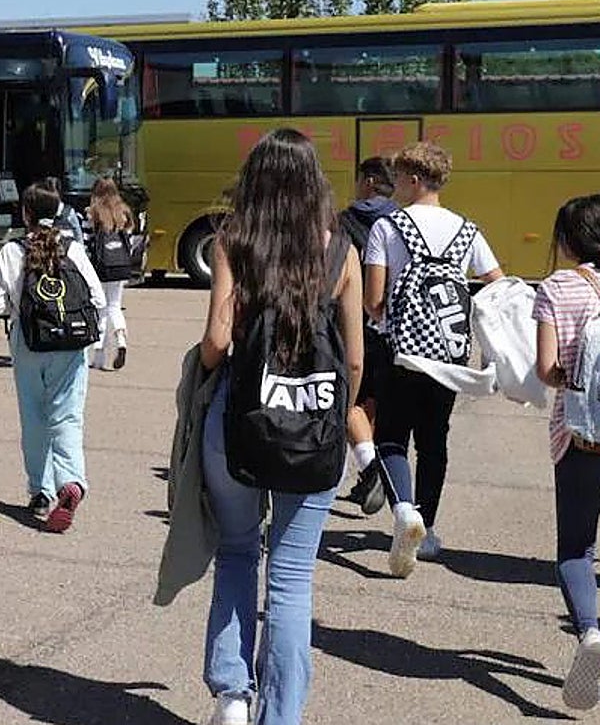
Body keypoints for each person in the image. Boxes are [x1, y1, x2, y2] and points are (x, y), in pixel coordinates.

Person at [198, 128, 363, 725]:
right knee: (293, 579)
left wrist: (208, 363)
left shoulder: (234, 241)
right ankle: (281, 715)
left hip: (239, 422)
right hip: (315, 427)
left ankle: (233, 695)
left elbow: (217, 341)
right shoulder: (341, 251)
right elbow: (354, 360)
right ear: (313, 183)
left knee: (238, 551)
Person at [364, 141, 503, 575]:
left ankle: (404, 510)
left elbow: (374, 300)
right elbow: (496, 283)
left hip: (400, 350)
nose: (396, 187)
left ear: (415, 179)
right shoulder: (468, 231)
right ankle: (430, 529)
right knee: (434, 440)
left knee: (390, 438)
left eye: (400, 178)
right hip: (449, 353)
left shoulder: (388, 228)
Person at [0, 181, 105, 532]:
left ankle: (40, 490)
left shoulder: (12, 251)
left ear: (25, 212)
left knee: (34, 418)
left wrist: (16, 306)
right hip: (70, 345)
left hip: (28, 342)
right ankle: (71, 481)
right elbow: (96, 299)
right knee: (67, 417)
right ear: (58, 211)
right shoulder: (73, 248)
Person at [533, 194, 600, 710]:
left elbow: (546, 367)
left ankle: (591, 634)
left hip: (581, 437)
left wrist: (573, 380)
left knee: (575, 550)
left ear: (566, 240)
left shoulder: (557, 288)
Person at [341, 157, 399, 515]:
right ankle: (369, 472)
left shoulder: (344, 222)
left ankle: (370, 466)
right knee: (371, 400)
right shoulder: (402, 222)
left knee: (347, 399)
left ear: (370, 181)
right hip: (394, 327)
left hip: (355, 320)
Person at [87, 177, 135, 371]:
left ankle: (98, 354)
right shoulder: (123, 211)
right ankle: (121, 339)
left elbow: (89, 240)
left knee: (101, 308)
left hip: (102, 267)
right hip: (121, 265)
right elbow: (130, 238)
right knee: (114, 306)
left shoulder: (94, 212)